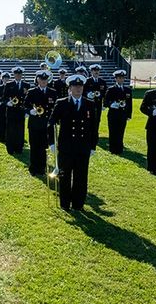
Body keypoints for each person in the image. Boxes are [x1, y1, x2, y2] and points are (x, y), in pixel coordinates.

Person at [49, 74, 98, 211]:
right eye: (75, 86)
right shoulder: (62, 103)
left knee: (81, 177)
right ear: (70, 88)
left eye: (80, 86)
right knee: (64, 176)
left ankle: (78, 204)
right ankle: (65, 204)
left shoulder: (90, 104)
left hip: (83, 147)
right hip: (66, 147)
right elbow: (51, 123)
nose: (78, 89)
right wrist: (52, 143)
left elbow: (94, 127)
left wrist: (93, 146)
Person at [25, 70, 56, 176]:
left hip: (46, 124)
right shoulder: (32, 91)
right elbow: (25, 105)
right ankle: (33, 169)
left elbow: (55, 108)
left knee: (43, 147)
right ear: (38, 80)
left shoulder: (53, 92)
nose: (43, 81)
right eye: (41, 80)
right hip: (34, 123)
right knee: (34, 147)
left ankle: (42, 168)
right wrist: (30, 111)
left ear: (48, 80)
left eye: (45, 80)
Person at [105, 69, 133, 154]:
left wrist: (129, 115)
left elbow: (130, 104)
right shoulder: (111, 89)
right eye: (119, 78)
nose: (121, 80)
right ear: (116, 79)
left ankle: (119, 148)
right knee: (113, 131)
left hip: (123, 114)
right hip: (113, 114)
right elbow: (105, 101)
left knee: (121, 131)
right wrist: (112, 104)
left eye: (122, 78)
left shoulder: (127, 90)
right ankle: (113, 148)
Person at [3, 67, 29, 155]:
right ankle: (10, 148)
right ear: (14, 75)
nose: (18, 76)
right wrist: (8, 102)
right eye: (16, 74)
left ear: (22, 75)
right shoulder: (9, 84)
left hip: (21, 111)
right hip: (11, 110)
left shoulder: (26, 85)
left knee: (20, 130)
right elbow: (4, 97)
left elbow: (28, 99)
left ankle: (19, 148)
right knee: (10, 130)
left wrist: (27, 111)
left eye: (20, 74)